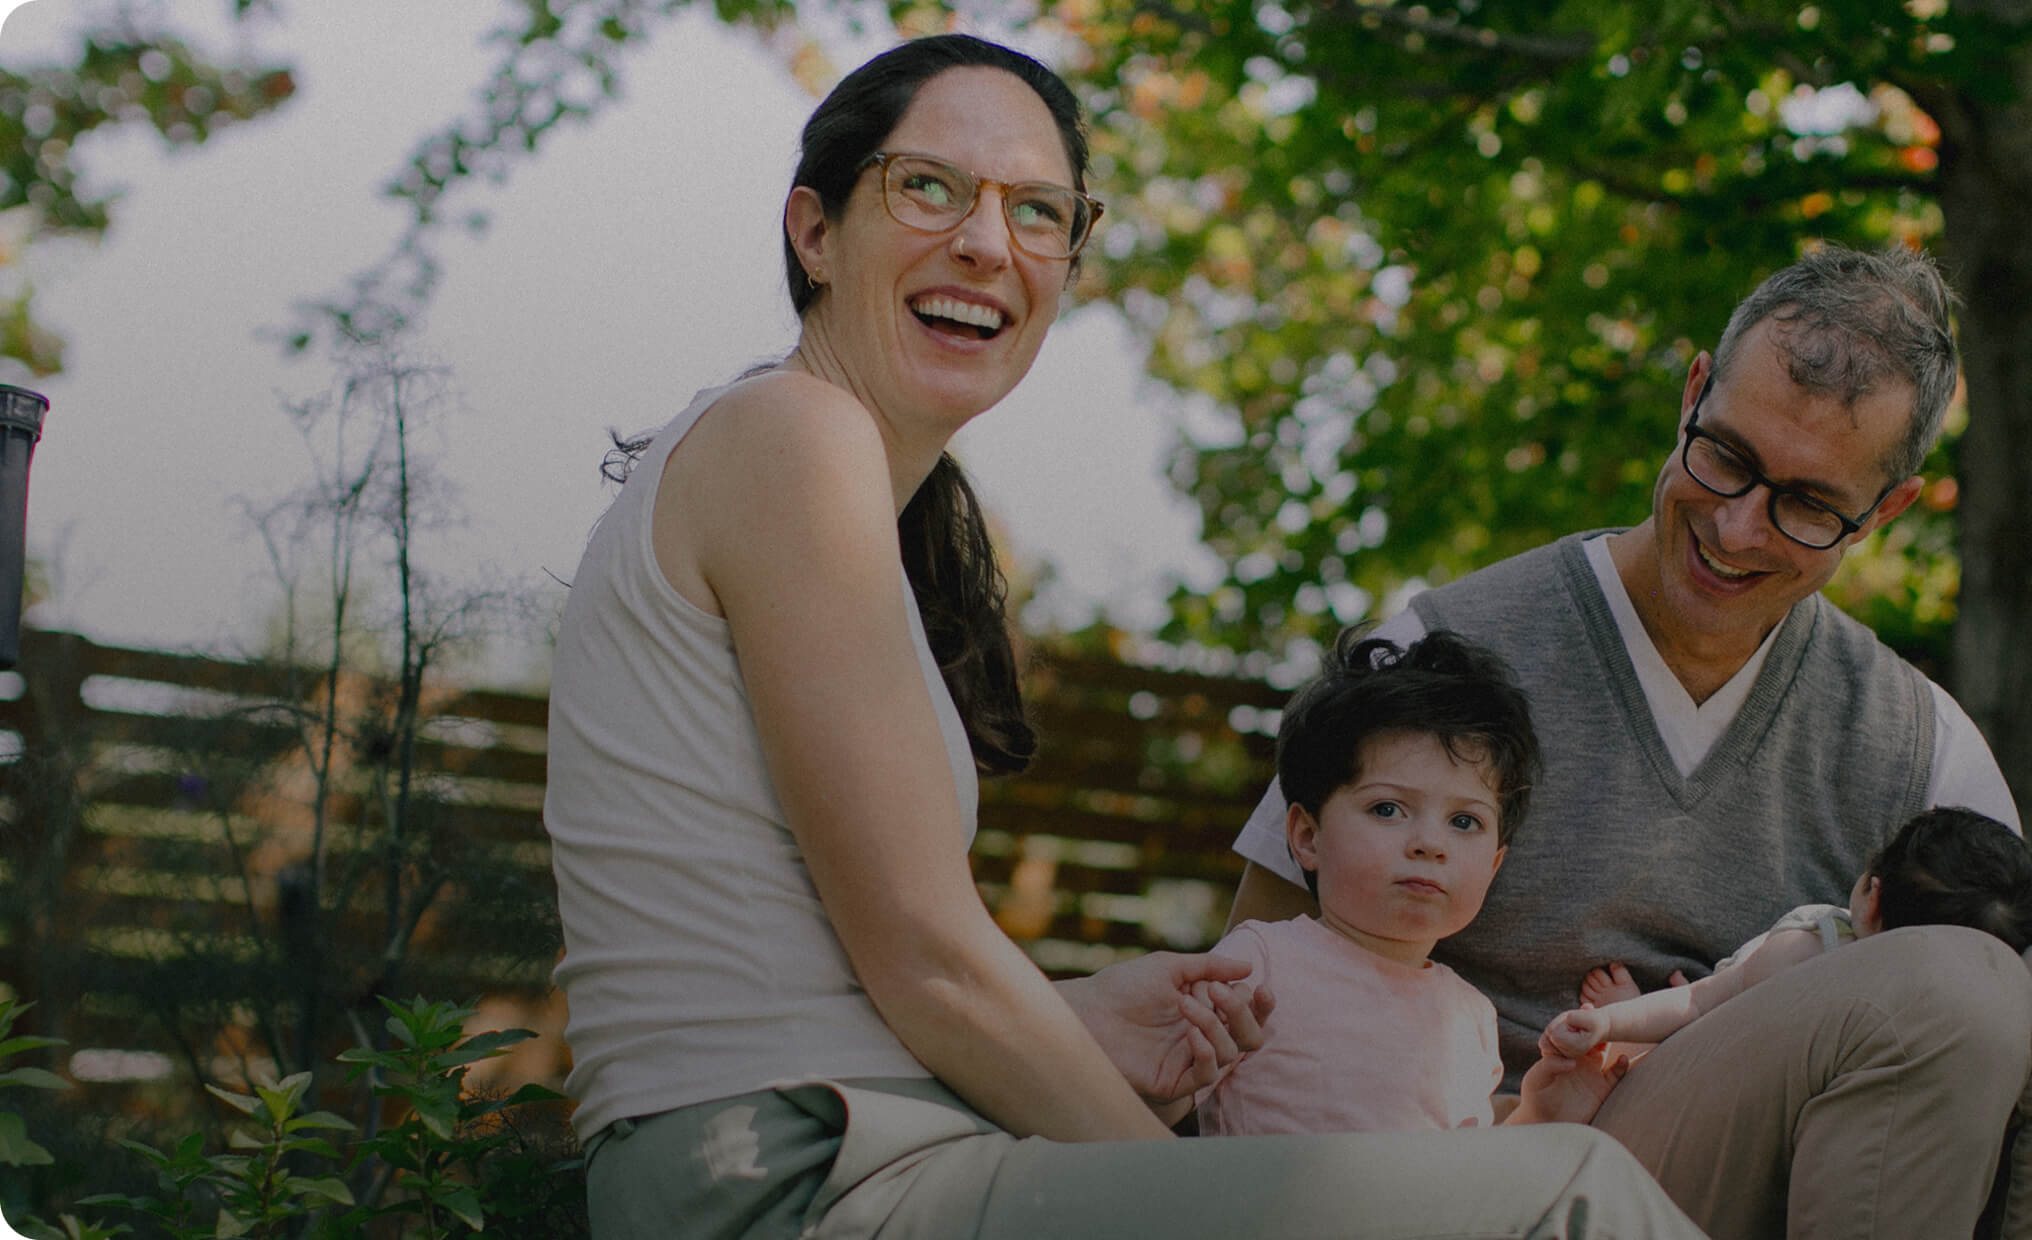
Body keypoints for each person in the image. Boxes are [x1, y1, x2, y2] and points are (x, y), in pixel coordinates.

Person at [547, 33, 1705, 1240]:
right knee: (1573, 1192)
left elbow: (820, 955)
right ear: (816, 230)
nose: (989, 243)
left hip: (852, 1143)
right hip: (786, 1181)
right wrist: (1173, 1180)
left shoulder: (832, 495)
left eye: (1038, 211)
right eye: (929, 186)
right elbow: (927, 960)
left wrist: (1083, 1014)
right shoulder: (792, 437)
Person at [1223, 245, 2032, 1240]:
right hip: (1524, 1170)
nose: (1739, 527)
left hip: (1833, 1179)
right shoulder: (1430, 654)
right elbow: (1244, 985)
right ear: (1694, 393)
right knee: (1949, 979)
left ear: (1883, 510)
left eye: (1806, 504)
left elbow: (2017, 1082)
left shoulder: (1920, 746)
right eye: (1728, 459)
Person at [1198, 628, 1622, 1136]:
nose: (1429, 843)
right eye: (1388, 809)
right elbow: (1155, 1098)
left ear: (1493, 865)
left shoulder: (1469, 1019)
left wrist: (1544, 1113)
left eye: (1464, 822)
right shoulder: (1258, 962)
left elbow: (1465, 1175)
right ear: (1307, 837)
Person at [1539, 806, 2032, 1062]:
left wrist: (1609, 1023)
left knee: (1668, 1041)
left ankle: (1631, 1039)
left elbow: (1699, 1005)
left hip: (1699, 1064)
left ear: (1872, 895)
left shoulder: (1805, 952)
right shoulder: (1962, 1021)